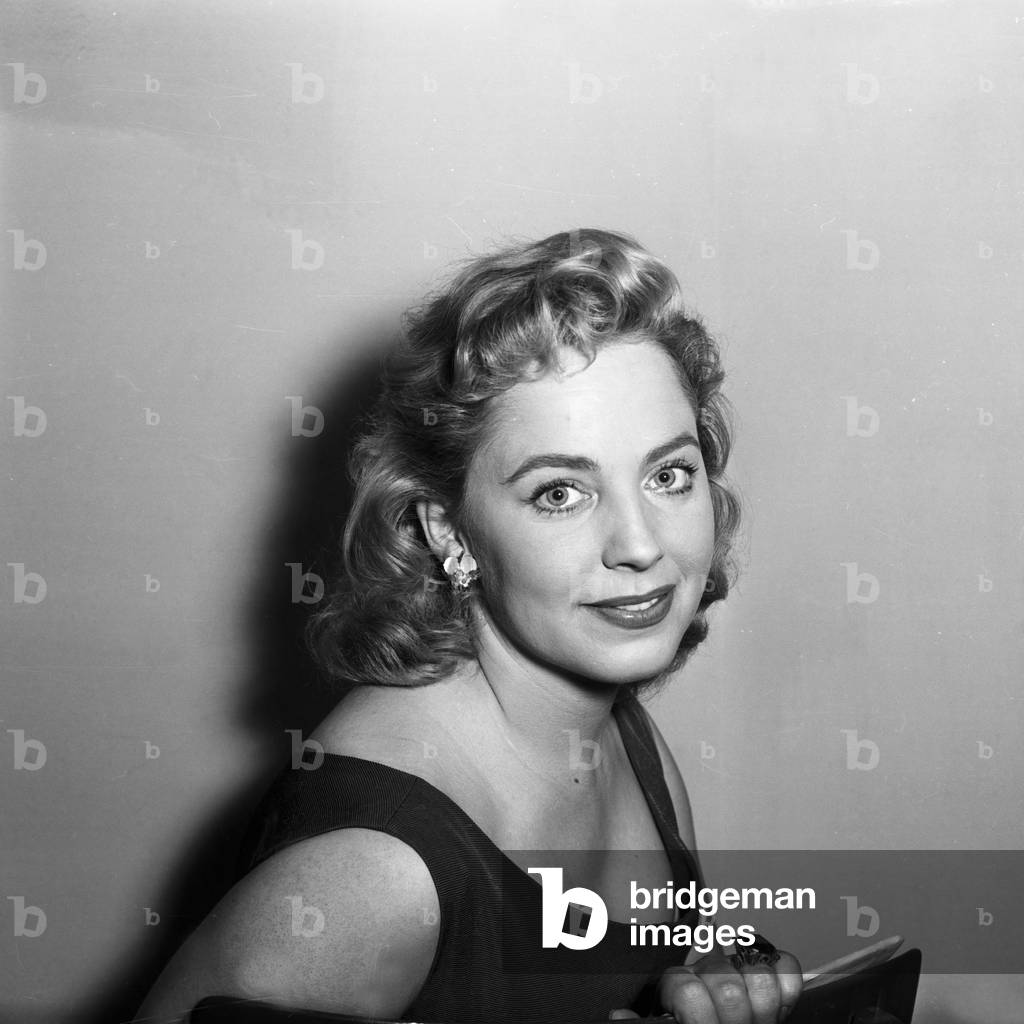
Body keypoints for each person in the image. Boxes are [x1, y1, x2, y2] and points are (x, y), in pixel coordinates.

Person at [133, 229, 803, 1024]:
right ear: (449, 532)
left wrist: (715, 989)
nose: (641, 545)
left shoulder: (626, 739)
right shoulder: (376, 872)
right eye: (560, 492)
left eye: (669, 474)